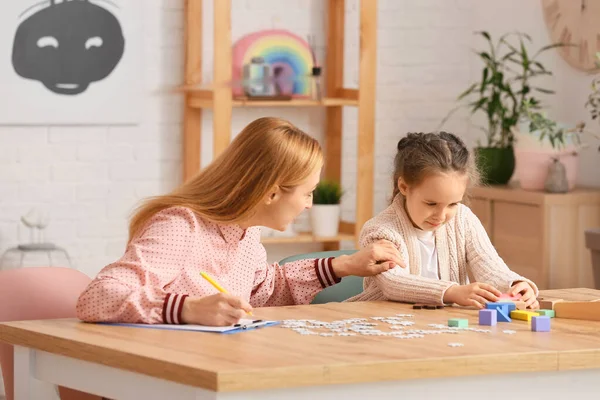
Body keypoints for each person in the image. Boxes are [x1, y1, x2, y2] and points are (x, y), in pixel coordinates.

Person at [76, 117, 404, 326]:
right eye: (308, 193)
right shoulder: (180, 225)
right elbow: (98, 296)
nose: (309, 205)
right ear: (272, 193)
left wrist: (344, 265)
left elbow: (262, 291)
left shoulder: (247, 235)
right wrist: (188, 309)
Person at [347, 131, 539, 309]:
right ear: (404, 187)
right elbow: (393, 283)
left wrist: (515, 285)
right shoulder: (380, 230)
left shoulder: (464, 220)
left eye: (452, 204)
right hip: (383, 323)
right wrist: (451, 292)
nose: (441, 215)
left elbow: (490, 267)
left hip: (443, 325)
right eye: (431, 203)